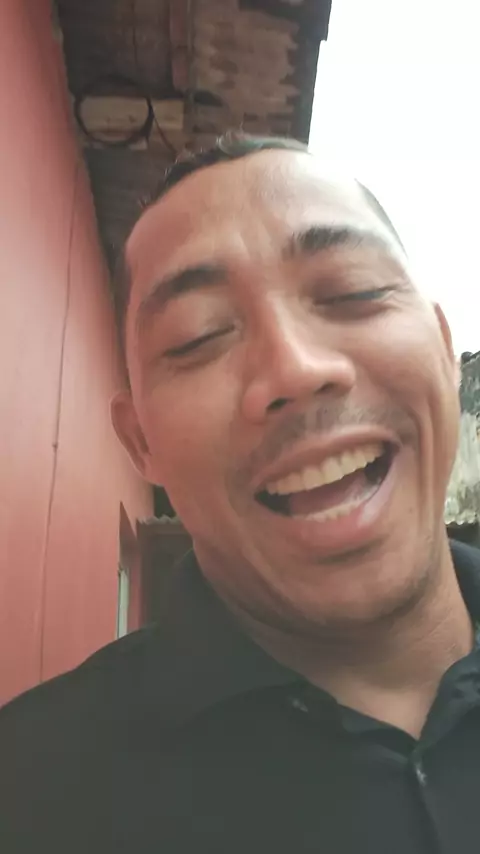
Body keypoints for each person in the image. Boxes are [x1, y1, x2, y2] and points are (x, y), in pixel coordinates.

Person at [1, 132, 479, 854]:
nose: (294, 369)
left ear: (446, 349)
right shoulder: (30, 794)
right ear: (141, 442)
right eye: (197, 338)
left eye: (351, 290)